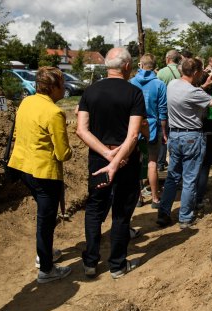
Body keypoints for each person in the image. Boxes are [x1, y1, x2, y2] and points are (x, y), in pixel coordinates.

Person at [76, 47, 146, 279]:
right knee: (121, 213)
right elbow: (134, 135)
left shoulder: (90, 92)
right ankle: (117, 265)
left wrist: (106, 154)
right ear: (126, 66)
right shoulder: (134, 93)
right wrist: (116, 157)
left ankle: (90, 262)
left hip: (98, 159)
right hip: (125, 160)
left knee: (95, 210)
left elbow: (81, 130)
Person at [8, 66, 73, 284]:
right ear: (53, 87)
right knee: (45, 220)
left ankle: (45, 252)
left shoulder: (26, 102)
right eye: (62, 85)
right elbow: (63, 153)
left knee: (45, 217)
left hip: (23, 168)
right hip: (44, 173)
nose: (65, 89)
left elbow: (18, 133)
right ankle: (46, 268)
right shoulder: (54, 113)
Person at [156, 58, 212, 229]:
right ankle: (185, 217)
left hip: (175, 136)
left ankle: (164, 213)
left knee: (173, 176)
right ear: (195, 72)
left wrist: (204, 86)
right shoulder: (194, 93)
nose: (203, 74)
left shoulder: (172, 84)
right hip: (192, 137)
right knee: (189, 179)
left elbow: (190, 95)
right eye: (201, 71)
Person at [130, 53, 168, 209]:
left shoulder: (131, 83)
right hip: (153, 127)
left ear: (140, 65)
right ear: (154, 66)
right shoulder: (159, 84)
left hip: (135, 127)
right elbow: (163, 112)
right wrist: (164, 132)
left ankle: (138, 198)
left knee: (135, 163)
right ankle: (155, 198)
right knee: (152, 162)